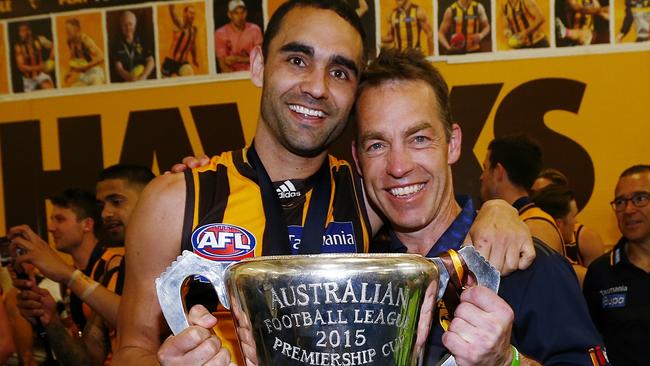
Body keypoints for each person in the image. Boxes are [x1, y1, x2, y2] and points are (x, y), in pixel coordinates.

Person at [116, 1, 534, 365]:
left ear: (354, 93)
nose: (316, 87)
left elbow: (437, 208)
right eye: (297, 60)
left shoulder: (367, 193)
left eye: (339, 71)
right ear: (259, 64)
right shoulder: (176, 200)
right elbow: (130, 348)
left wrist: (501, 211)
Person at [353, 47, 609, 365]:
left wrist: (506, 361)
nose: (398, 166)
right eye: (377, 144)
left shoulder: (526, 264)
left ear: (453, 143)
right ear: (358, 160)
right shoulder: (356, 276)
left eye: (418, 138)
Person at [11, 165, 153, 365]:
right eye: (102, 205)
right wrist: (51, 321)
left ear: (151, 198)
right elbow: (88, 360)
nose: (105, 214)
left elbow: (142, 326)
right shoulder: (114, 272)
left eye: (116, 201)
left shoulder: (177, 259)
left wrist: (67, 274)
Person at [583, 164, 650, 366]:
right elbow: (590, 344)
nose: (628, 210)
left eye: (640, 198)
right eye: (620, 202)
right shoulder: (600, 273)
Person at [480, 136, 566, 256]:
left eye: (485, 168)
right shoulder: (520, 219)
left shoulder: (536, 227)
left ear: (498, 171)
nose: (482, 177)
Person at [532, 168, 605, 267]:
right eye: (533, 193)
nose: (537, 198)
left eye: (548, 192)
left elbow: (596, 279)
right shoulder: (527, 232)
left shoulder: (585, 238)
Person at [214, 0, 263, 73]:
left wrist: (237, 59)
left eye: (242, 12)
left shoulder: (255, 29)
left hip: (253, 73)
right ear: (229, 15)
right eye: (236, 13)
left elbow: (259, 58)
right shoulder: (220, 33)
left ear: (246, 13)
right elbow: (222, 63)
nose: (240, 16)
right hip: (232, 75)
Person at [111, 10, 155, 82]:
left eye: (130, 24)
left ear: (135, 25)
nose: (128, 28)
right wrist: (130, 78)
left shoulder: (143, 40)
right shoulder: (116, 44)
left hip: (143, 79)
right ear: (121, 26)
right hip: (125, 81)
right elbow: (119, 68)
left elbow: (151, 61)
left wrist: (143, 76)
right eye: (124, 25)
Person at [63, 18, 105, 87]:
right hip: (84, 75)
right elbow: (73, 57)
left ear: (76, 30)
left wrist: (85, 67)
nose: (67, 34)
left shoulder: (86, 40)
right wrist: (70, 71)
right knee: (73, 90)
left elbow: (101, 57)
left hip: (95, 72)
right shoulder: (70, 42)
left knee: (96, 89)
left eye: (68, 32)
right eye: (66, 32)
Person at [14, 22, 54, 92]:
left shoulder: (39, 39)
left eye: (23, 31)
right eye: (20, 31)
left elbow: (55, 46)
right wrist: (39, 67)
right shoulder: (18, 47)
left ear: (29, 31)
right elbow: (21, 67)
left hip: (41, 75)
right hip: (28, 79)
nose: (21, 34)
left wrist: (50, 59)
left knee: (50, 90)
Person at [161, 4, 199, 78]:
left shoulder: (194, 30)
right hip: (170, 62)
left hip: (183, 63)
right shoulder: (180, 25)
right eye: (190, 13)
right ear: (184, 13)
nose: (192, 15)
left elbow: (193, 45)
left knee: (190, 77)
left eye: (194, 13)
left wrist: (194, 58)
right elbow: (173, 16)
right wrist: (171, 8)